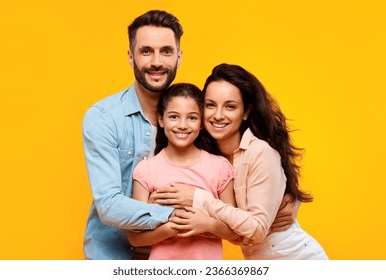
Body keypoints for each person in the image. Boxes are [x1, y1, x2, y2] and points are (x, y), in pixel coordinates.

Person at [82, 9, 296, 260]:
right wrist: (180, 213)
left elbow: (239, 156)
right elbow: (108, 206)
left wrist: (283, 198)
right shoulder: (104, 117)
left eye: (166, 51)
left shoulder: (197, 116)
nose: (157, 62)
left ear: (179, 57)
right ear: (131, 57)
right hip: (114, 256)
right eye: (146, 51)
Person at [159, 63, 329, 259]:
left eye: (230, 106)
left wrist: (200, 199)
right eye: (210, 105)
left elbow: (256, 230)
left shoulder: (260, 152)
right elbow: (236, 231)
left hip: (296, 258)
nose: (218, 115)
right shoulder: (205, 156)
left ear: (246, 112)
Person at [127, 83, 239, 259]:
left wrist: (207, 224)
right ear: (161, 120)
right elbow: (135, 238)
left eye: (192, 118)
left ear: (201, 122)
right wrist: (172, 227)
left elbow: (235, 231)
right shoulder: (146, 170)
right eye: (174, 117)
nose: (182, 125)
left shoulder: (220, 167)